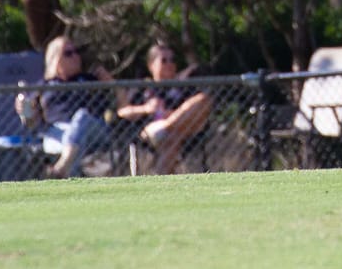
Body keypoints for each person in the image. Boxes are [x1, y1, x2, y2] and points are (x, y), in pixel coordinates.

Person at [113, 39, 214, 175]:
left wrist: (168, 117)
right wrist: (146, 108)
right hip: (149, 135)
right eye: (164, 60)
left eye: (172, 60)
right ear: (151, 65)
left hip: (178, 132)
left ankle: (166, 127)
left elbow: (198, 111)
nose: (169, 64)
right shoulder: (143, 88)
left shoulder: (184, 88)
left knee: (203, 100)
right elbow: (122, 112)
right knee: (173, 137)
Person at [20, 35, 112, 178]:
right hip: (57, 133)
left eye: (76, 52)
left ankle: (60, 169)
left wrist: (112, 84)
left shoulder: (89, 80)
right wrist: (23, 107)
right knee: (72, 139)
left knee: (81, 116)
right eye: (68, 53)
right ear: (55, 59)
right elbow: (29, 122)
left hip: (92, 129)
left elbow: (120, 105)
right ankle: (68, 177)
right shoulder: (43, 86)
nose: (75, 56)